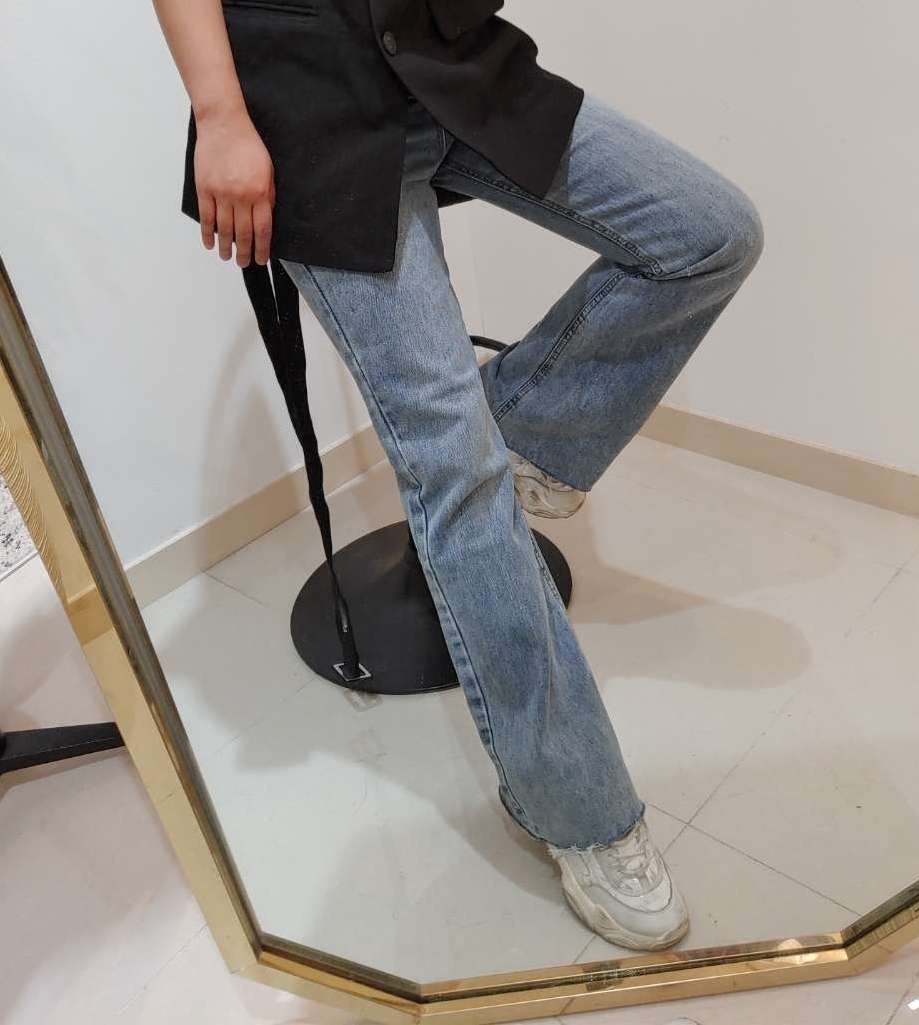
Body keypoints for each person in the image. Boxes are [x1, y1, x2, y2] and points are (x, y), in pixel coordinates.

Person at [151, 0, 763, 952]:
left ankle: (517, 431)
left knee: (709, 231)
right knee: (456, 472)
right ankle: (583, 814)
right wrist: (220, 114)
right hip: (308, 110)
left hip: (447, 61)